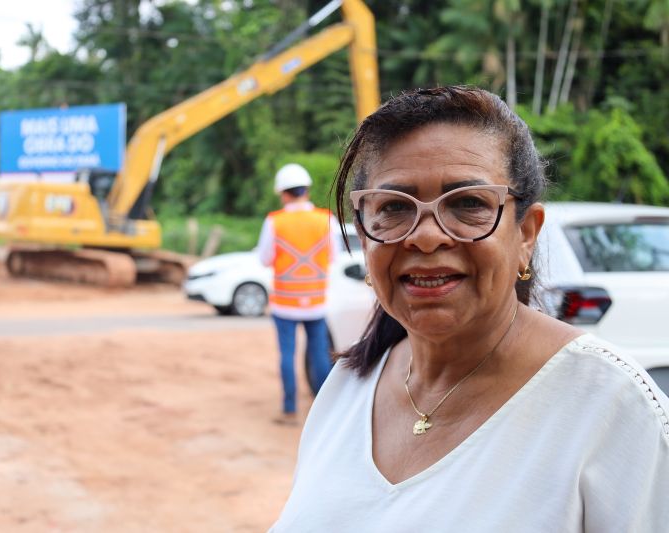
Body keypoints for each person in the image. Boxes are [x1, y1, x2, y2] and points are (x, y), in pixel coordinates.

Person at [271, 87, 669, 531]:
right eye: (394, 208)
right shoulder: (347, 387)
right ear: (364, 236)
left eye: (468, 204)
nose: (425, 237)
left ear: (526, 235)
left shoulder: (609, 408)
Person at [257, 163, 343, 425]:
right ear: (306, 189)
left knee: (287, 355)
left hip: (285, 303)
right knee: (318, 353)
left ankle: (290, 410)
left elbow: (264, 259)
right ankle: (325, 409)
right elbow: (335, 256)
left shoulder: (275, 222)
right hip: (316, 302)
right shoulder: (326, 219)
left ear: (283, 193)